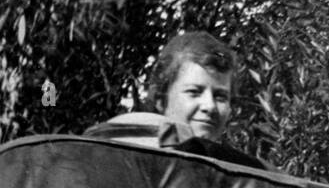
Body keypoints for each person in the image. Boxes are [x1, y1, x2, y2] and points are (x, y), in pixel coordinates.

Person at [86, 31, 266, 169]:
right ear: (160, 99)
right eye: (194, 92)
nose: (209, 106)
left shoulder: (238, 176)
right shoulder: (122, 150)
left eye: (220, 96)